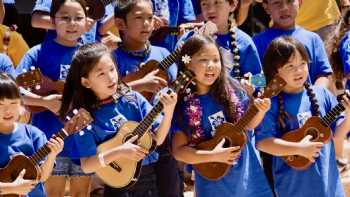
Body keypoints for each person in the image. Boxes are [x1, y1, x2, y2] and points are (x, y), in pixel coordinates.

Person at [59, 42, 177, 197]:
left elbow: (157, 140)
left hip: (148, 178)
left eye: (112, 69)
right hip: (115, 183)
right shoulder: (83, 118)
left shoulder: (133, 98)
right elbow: (87, 165)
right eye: (101, 73)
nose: (111, 77)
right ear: (86, 82)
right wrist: (120, 152)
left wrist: (168, 111)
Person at [171, 34, 273, 197]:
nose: (211, 65)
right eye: (203, 60)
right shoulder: (183, 105)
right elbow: (178, 151)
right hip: (214, 186)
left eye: (215, 60)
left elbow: (249, 125)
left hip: (248, 179)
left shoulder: (234, 89)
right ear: (187, 63)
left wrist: (260, 109)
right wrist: (212, 155)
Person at [255, 36, 350, 197]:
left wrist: (349, 115)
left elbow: (337, 136)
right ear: (275, 70)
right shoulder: (270, 103)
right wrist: (299, 149)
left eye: (302, 64)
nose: (298, 70)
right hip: (292, 188)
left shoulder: (322, 94)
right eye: (290, 66)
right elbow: (263, 143)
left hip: (329, 187)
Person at [16, 0, 92, 196]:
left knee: (81, 193)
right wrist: (45, 102)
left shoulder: (92, 55)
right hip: (50, 139)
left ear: (87, 22)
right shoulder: (37, 53)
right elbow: (16, 93)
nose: (72, 23)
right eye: (65, 18)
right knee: (53, 192)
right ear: (52, 21)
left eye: (78, 18)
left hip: (84, 139)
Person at [0, 73, 64, 196]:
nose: (7, 110)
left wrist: (52, 155)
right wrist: (12, 188)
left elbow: (43, 177)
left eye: (13, 103)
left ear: (21, 104)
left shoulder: (34, 134)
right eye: (0, 105)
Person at [253, 0, 333, 88]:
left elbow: (323, 75)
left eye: (290, 1)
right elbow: (254, 79)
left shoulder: (313, 39)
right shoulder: (257, 42)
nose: (284, 8)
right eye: (277, 2)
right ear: (266, 7)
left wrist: (316, 95)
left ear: (300, 2)